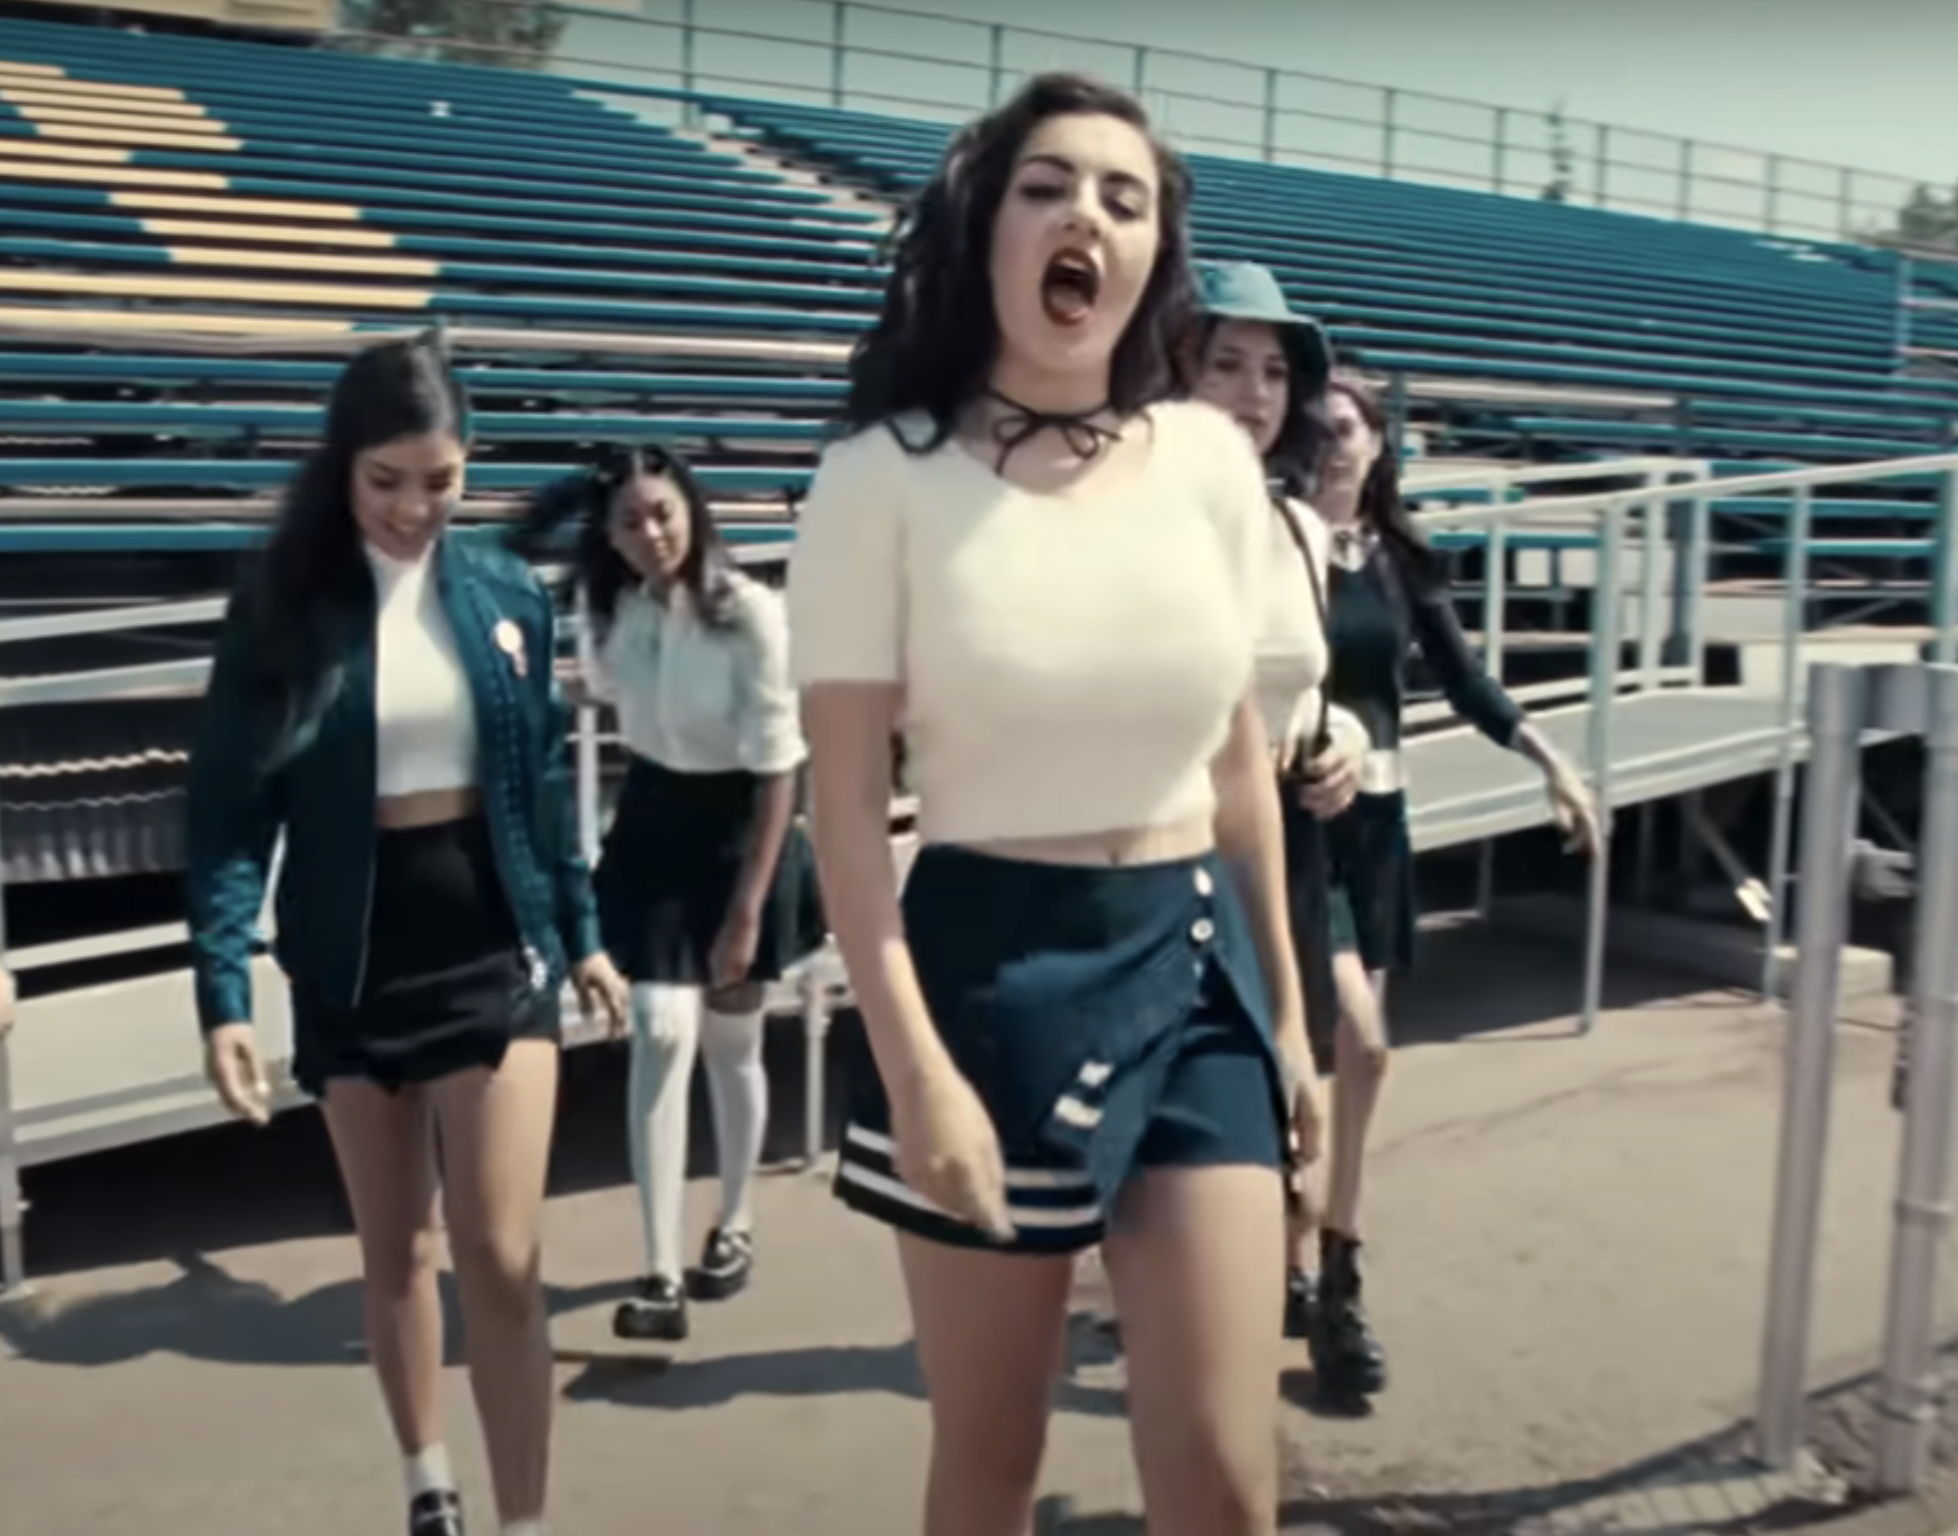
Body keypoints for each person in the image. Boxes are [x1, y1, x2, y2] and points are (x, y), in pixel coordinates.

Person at [787, 72, 1321, 1536]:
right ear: (987, 229)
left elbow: (1236, 773)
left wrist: (1287, 1023)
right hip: (987, 978)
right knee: (991, 1464)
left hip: (1193, 963)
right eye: (1045, 186)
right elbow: (841, 823)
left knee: (1223, 1479)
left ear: (1154, 257)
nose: (1081, 213)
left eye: (1121, 195)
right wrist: (914, 1074)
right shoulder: (873, 483)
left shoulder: (1212, 465)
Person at [184, 333, 627, 1536]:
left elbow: (542, 787)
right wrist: (222, 988)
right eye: (385, 480)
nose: (412, 508)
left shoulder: (503, 593)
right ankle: (428, 1480)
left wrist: (580, 930)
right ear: (343, 467)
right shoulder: (284, 607)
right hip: (348, 950)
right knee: (400, 1253)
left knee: (500, 1250)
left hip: (494, 940)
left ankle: (524, 1519)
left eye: (438, 480)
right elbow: (228, 806)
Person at [1279, 372, 1603, 1404]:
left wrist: (1550, 759)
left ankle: (1319, 1264)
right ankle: (1318, 1267)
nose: (1328, 444)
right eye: (1314, 429)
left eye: (1345, 429)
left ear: (1378, 446)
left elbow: (1464, 681)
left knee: (1352, 1071)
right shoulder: (1269, 545)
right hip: (1292, 820)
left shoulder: (1398, 564)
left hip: (1377, 825)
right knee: (1345, 1049)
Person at [506, 444, 824, 1344]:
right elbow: (601, 695)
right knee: (657, 1030)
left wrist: (748, 911)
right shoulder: (606, 612)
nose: (651, 533)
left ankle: (734, 1223)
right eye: (629, 520)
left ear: (693, 507)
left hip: (740, 831)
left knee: (732, 1040)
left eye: (663, 511)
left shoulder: (754, 614)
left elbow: (779, 772)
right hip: (652, 820)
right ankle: (657, 1274)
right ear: (606, 534)